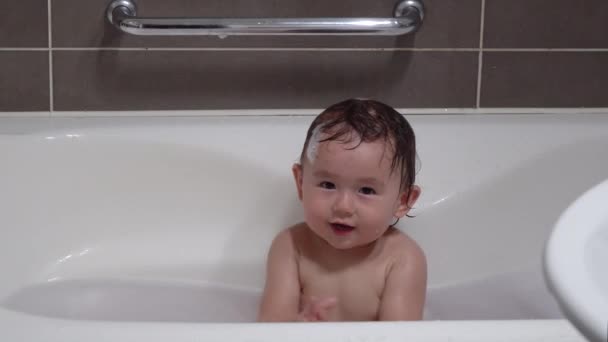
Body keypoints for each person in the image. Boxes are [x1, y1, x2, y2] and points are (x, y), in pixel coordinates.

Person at [257, 99, 426, 322]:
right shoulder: (291, 247)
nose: (343, 206)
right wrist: (298, 327)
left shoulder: (401, 259)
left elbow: (401, 337)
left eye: (366, 190)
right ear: (300, 182)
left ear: (403, 201)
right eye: (327, 185)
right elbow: (269, 328)